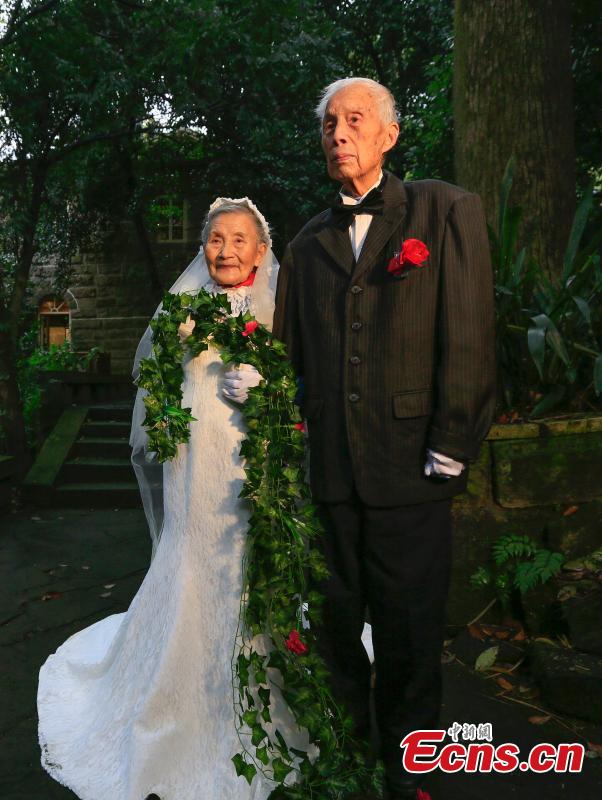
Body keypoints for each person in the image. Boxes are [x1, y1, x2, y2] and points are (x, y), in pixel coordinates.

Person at [37, 197, 315, 800]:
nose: (226, 250)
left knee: (250, 558)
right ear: (203, 246)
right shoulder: (184, 309)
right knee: (192, 556)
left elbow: (306, 376)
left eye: (240, 240)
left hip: (252, 461)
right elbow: (158, 378)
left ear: (261, 250)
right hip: (196, 461)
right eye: (216, 239)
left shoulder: (278, 306)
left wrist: (269, 385)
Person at [272, 77, 497, 800]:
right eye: (330, 122)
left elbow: (468, 336)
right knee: (337, 631)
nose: (340, 132)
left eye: (355, 120)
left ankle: (412, 778)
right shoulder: (306, 245)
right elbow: (294, 360)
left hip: (413, 469)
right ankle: (351, 767)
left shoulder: (445, 210)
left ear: (389, 135)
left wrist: (453, 440)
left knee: (407, 636)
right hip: (332, 475)